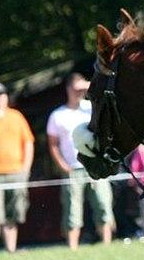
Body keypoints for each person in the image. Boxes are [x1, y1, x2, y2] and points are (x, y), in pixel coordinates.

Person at [47, 73, 115, 249]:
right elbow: (53, 144)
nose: (78, 92)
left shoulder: (90, 108)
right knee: (72, 209)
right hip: (73, 168)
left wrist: (87, 86)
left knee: (103, 203)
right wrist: (62, 165)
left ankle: (106, 243)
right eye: (75, 88)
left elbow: (104, 93)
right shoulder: (58, 115)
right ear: (68, 89)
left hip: (96, 165)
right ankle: (73, 246)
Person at [0, 81, 34, 253]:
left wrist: (25, 169)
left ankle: (10, 250)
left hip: (16, 172)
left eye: (1, 95)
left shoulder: (16, 116)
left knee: (13, 215)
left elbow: (28, 143)